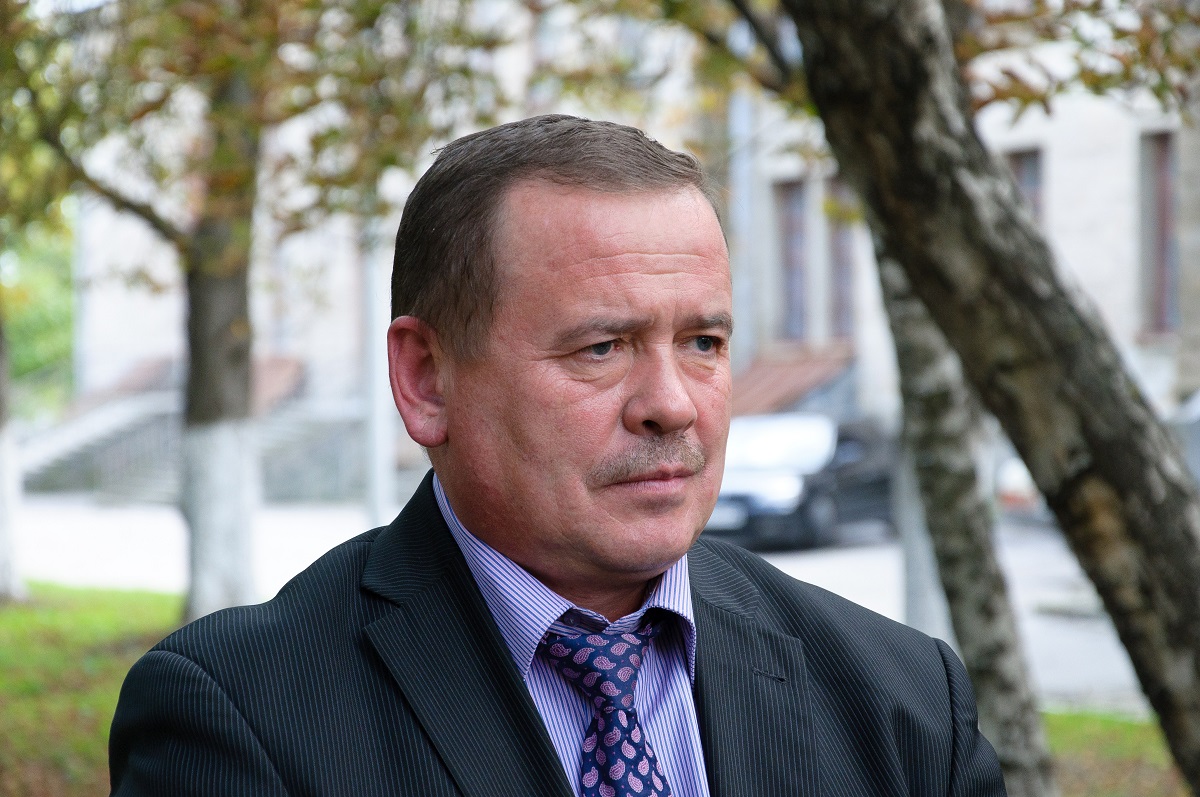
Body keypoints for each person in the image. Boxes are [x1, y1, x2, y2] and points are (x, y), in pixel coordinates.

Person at [109, 114, 1006, 797]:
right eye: (601, 347)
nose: (671, 404)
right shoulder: (242, 720)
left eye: (703, 342)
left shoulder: (906, 703)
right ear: (426, 379)